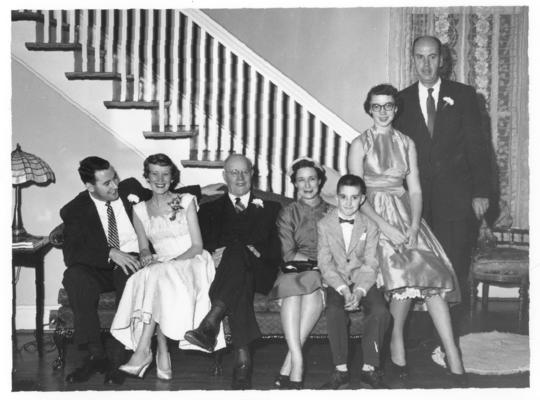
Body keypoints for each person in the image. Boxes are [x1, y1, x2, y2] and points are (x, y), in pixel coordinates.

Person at [348, 83, 466, 386]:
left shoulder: (407, 142)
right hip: (371, 215)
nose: (383, 111)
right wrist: (384, 226)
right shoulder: (359, 144)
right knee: (402, 276)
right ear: (369, 109)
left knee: (431, 277)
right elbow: (355, 194)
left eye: (389, 105)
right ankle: (397, 340)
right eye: (377, 106)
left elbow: (414, 189)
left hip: (405, 214)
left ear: (396, 108)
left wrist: (414, 225)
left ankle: (453, 354)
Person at [108, 154, 225, 380]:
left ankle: (143, 351)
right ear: (146, 177)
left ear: (172, 178)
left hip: (193, 261)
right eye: (154, 173)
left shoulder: (186, 200)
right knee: (149, 276)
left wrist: (168, 263)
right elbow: (144, 248)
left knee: (158, 274)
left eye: (165, 174)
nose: (160, 179)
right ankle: (161, 350)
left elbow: (197, 245)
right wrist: (145, 257)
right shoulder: (140, 209)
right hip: (162, 265)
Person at [393, 35, 490, 304]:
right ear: (413, 59)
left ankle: (447, 341)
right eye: (420, 57)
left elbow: (478, 148)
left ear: (442, 60)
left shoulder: (464, 95)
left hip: (456, 200)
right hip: (417, 205)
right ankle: (424, 337)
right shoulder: (400, 101)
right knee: (420, 270)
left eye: (432, 57)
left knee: (454, 269)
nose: (426, 64)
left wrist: (481, 191)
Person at [183, 153, 282, 389]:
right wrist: (210, 255)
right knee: (237, 270)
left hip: (260, 272)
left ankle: (211, 321)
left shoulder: (271, 208)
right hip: (224, 273)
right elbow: (200, 243)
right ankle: (243, 360)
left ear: (252, 174)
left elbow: (278, 249)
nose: (240, 177)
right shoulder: (209, 209)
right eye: (234, 172)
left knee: (237, 252)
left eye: (245, 171)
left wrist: (257, 253)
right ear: (224, 175)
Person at [60, 156, 148, 385]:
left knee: (127, 269)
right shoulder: (75, 210)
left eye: (114, 178)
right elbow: (71, 256)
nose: (115, 185)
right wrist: (109, 252)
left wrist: (200, 190)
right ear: (90, 187)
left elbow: (161, 195)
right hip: (99, 267)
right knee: (74, 275)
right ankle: (96, 355)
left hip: (130, 262)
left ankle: (118, 357)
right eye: (107, 183)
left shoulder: (130, 188)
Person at [317, 174, 391, 389]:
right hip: (336, 280)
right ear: (336, 198)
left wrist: (358, 291)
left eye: (354, 197)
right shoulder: (324, 224)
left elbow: (370, 263)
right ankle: (341, 370)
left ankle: (370, 368)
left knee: (380, 311)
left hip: (363, 280)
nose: (348, 203)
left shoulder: (370, 224)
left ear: (362, 199)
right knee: (334, 312)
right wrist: (342, 289)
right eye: (343, 197)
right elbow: (325, 263)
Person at [267, 157, 330, 389]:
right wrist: (316, 261)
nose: (307, 185)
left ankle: (289, 366)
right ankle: (298, 361)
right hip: (293, 270)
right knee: (294, 292)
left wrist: (322, 264)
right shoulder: (288, 212)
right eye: (301, 180)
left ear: (320, 181)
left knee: (312, 289)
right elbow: (288, 253)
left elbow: (338, 251)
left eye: (312, 179)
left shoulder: (332, 211)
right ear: (294, 184)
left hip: (323, 272)